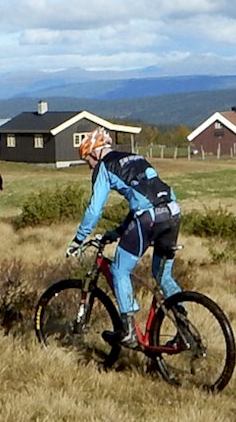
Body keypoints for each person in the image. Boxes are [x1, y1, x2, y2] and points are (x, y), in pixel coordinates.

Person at [66, 127, 183, 349]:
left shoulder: (104, 166)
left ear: (94, 152)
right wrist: (119, 231)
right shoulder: (136, 157)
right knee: (162, 276)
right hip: (172, 211)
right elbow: (144, 196)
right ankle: (184, 328)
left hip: (149, 217)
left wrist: (79, 239)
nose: (89, 165)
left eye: (87, 160)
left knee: (119, 270)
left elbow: (94, 209)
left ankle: (129, 332)